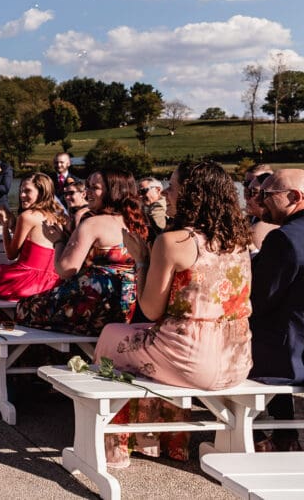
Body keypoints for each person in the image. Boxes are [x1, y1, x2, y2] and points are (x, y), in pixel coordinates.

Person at [95, 161, 253, 466]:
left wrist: (141, 259)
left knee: (112, 336)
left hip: (193, 359)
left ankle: (117, 446)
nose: (165, 193)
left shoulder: (173, 241)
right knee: (141, 344)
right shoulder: (239, 240)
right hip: (236, 358)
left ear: (191, 194)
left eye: (172, 186)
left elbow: (151, 311)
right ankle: (168, 442)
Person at [15, 169, 149, 336]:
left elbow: (65, 270)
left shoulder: (92, 223)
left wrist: (58, 241)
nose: (87, 193)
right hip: (127, 308)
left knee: (24, 307)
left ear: (113, 191)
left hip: (93, 308)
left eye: (95, 188)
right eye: (87, 187)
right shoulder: (137, 223)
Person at [249, 168, 304, 451]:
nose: (260, 200)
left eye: (267, 194)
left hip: (289, 356)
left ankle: (251, 436)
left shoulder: (285, 239)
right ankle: (285, 437)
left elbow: (259, 299)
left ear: (294, 197)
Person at [0, 173, 62, 301]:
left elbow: (11, 254)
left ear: (41, 193)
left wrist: (4, 225)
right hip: (52, 281)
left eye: (27, 191)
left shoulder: (27, 216)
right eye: (21, 191)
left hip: (28, 281)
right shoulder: (56, 217)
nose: (22, 195)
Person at [244, 170, 278, 252]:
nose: (246, 197)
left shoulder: (259, 229)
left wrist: (252, 250)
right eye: (247, 192)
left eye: (253, 192)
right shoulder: (249, 219)